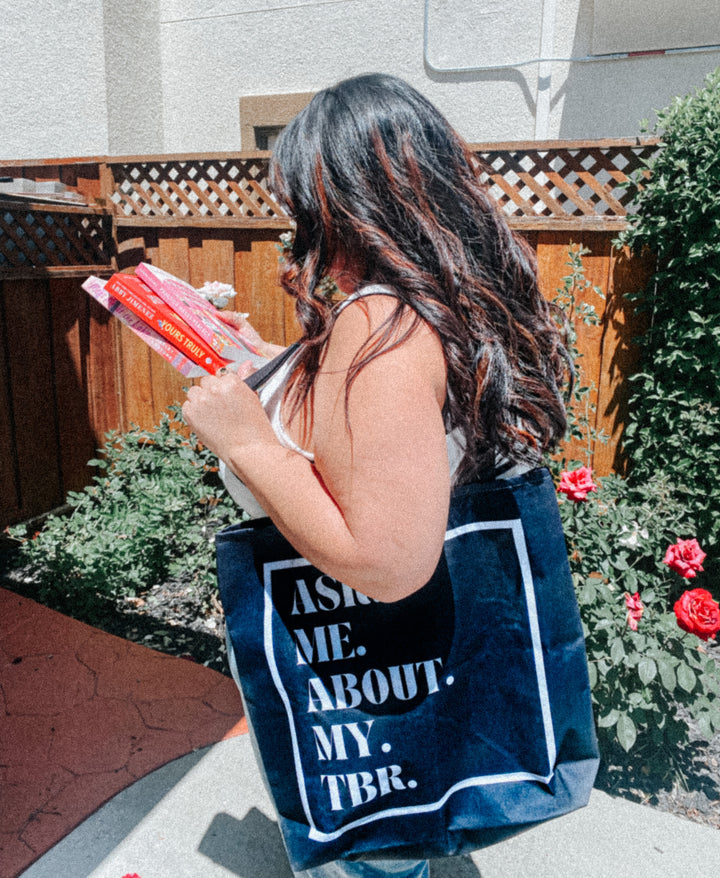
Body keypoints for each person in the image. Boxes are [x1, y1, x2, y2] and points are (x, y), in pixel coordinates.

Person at [182, 73, 571, 878]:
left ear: (344, 193)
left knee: (377, 852)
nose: (294, 214)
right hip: (410, 647)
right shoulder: (432, 301)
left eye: (301, 191)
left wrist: (248, 442)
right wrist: (268, 371)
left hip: (365, 654)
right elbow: (366, 447)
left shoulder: (379, 322)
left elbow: (387, 563)